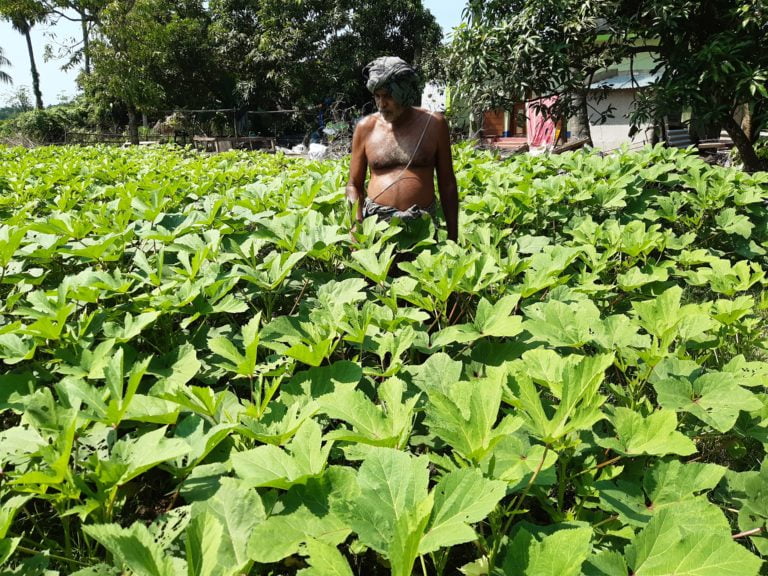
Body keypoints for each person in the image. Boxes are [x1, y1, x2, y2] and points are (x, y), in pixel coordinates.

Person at [346, 56, 458, 245]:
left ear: (404, 93)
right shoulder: (366, 128)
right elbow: (353, 185)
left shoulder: (434, 125)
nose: (381, 104)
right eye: (377, 96)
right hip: (377, 225)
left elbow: (447, 184)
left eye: (388, 96)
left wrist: (453, 235)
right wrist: (356, 225)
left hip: (422, 227)